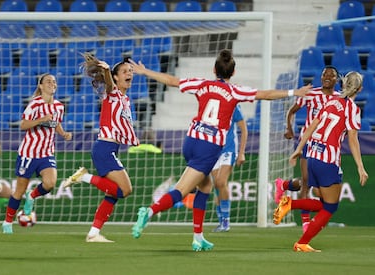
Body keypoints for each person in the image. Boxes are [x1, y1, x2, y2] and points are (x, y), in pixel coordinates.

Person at [129, 49, 312, 251]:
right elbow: (265, 95)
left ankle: (198, 238)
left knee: (205, 187)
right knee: (182, 190)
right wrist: (294, 92)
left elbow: (172, 81)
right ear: (232, 73)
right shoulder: (235, 91)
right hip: (209, 147)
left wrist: (147, 72)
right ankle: (149, 211)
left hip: (190, 141)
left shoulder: (202, 84)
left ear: (214, 69)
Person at [273, 71, 368, 252]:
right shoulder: (352, 109)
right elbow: (353, 140)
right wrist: (360, 167)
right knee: (330, 207)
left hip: (313, 156)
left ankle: (289, 204)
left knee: (324, 202)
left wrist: (300, 149)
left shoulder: (330, 101)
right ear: (360, 89)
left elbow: (312, 126)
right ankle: (302, 242)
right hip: (328, 160)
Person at [64, 54, 139, 243]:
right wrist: (106, 71)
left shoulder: (125, 99)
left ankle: (93, 233)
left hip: (109, 149)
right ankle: (84, 177)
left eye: (131, 71)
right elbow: (108, 84)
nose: (129, 74)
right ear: (115, 77)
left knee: (113, 193)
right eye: (124, 71)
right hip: (104, 148)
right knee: (125, 190)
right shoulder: (112, 93)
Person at [1, 73, 73, 234]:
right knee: (18, 191)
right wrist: (41, 120)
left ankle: (32, 196)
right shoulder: (34, 104)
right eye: (48, 81)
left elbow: (56, 123)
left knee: (50, 183)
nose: (52, 84)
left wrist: (63, 134)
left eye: (54, 82)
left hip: (46, 153)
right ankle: (7, 222)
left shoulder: (59, 106)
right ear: (40, 86)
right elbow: (23, 125)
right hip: (29, 153)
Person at [274, 66, 341, 232]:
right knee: (306, 182)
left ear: (336, 80)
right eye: (324, 74)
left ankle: (285, 185)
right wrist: (289, 129)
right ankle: (305, 223)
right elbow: (292, 111)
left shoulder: (340, 98)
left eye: (330, 75)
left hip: (327, 147)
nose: (326, 77)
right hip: (308, 142)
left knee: (318, 190)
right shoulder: (312, 94)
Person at [211, 104, 247, 232]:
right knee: (216, 185)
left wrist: (241, 152)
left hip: (229, 149)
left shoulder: (233, 105)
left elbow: (243, 129)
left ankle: (226, 220)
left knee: (221, 182)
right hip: (213, 149)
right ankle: (221, 220)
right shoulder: (212, 103)